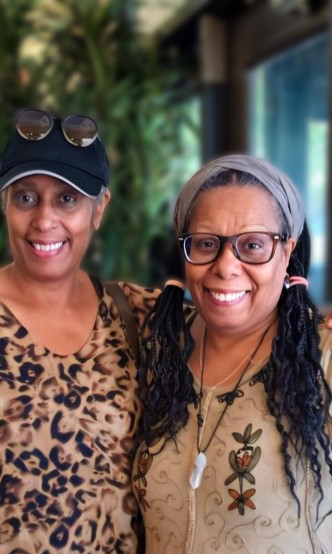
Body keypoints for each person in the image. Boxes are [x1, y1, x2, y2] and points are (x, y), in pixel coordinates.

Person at [0, 108, 160, 553]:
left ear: (99, 208)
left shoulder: (138, 315)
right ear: (5, 204)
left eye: (67, 199)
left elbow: (239, 325)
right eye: (26, 197)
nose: (44, 220)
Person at [133, 154, 332, 553]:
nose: (226, 266)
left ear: (286, 251)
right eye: (207, 244)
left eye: (253, 245)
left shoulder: (321, 357)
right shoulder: (162, 348)